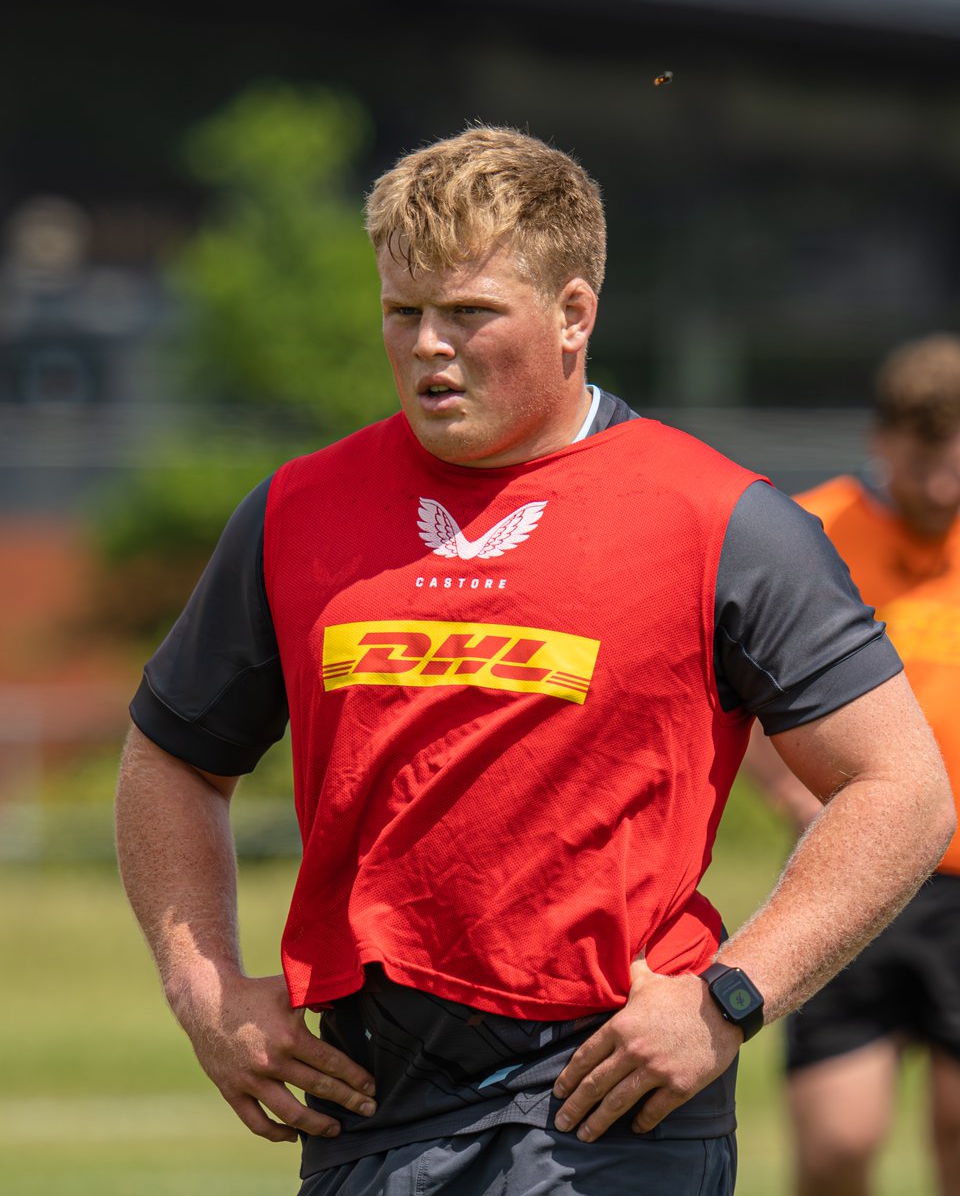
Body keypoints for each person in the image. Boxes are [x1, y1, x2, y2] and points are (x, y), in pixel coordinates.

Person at [115, 127, 954, 1196]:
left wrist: (730, 997)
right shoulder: (295, 512)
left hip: (617, 1093)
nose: (427, 345)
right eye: (402, 311)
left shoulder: (724, 520)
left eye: (468, 313)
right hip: (371, 1096)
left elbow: (904, 789)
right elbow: (171, 758)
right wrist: (202, 988)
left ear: (573, 315)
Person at [742, 333, 960, 1196]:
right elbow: (741, 687)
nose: (943, 486)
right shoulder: (810, 532)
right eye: (925, 461)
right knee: (838, 1142)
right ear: (883, 440)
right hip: (856, 870)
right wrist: (797, 799)